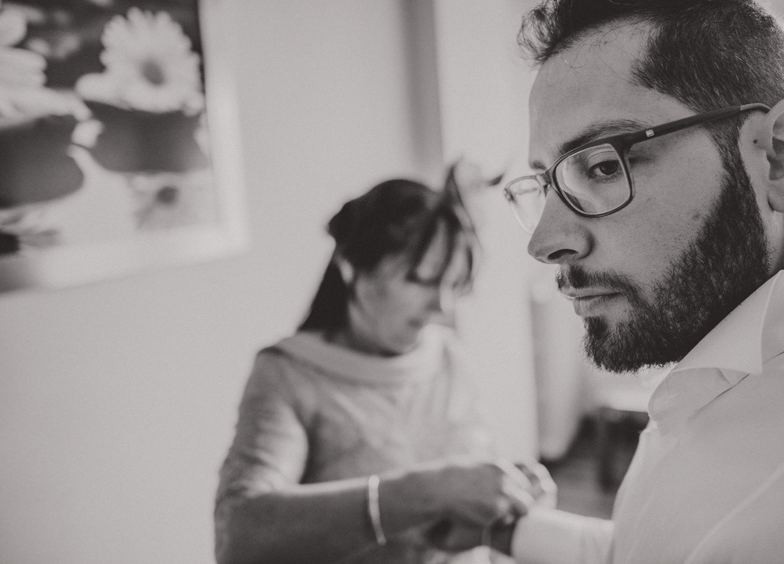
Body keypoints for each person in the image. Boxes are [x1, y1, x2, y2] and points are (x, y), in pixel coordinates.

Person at [434, 0, 784, 563]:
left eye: (603, 165)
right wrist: (503, 533)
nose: (545, 242)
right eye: (547, 184)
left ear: (782, 156)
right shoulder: (710, 364)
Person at [214, 168, 554, 564]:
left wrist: (504, 509)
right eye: (421, 280)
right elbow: (238, 538)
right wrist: (425, 492)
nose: (443, 308)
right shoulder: (288, 376)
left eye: (455, 284)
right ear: (351, 266)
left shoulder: (447, 356)